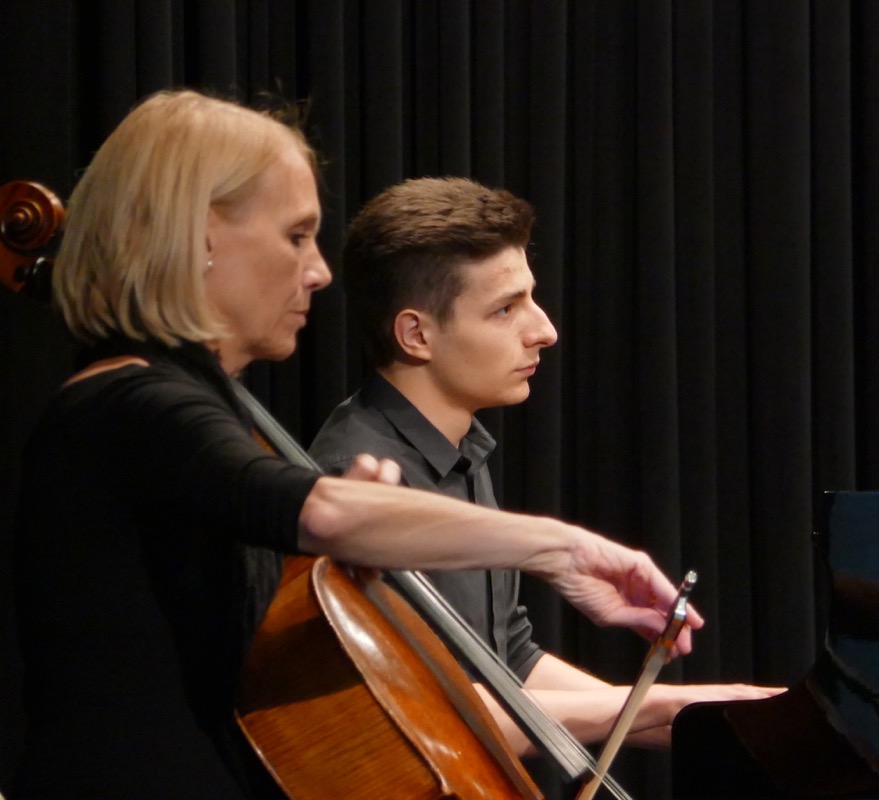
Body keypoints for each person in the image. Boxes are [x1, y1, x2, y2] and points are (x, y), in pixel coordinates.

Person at [11, 90, 703, 799]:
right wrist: (561, 549)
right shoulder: (130, 404)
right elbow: (318, 511)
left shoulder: (187, 408)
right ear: (200, 237)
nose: (319, 271)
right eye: (296, 236)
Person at [308, 177, 781, 757]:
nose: (545, 331)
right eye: (505, 309)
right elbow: (417, 711)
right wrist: (661, 707)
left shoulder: (459, 450)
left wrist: (719, 723)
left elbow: (508, 661)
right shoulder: (359, 480)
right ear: (416, 334)